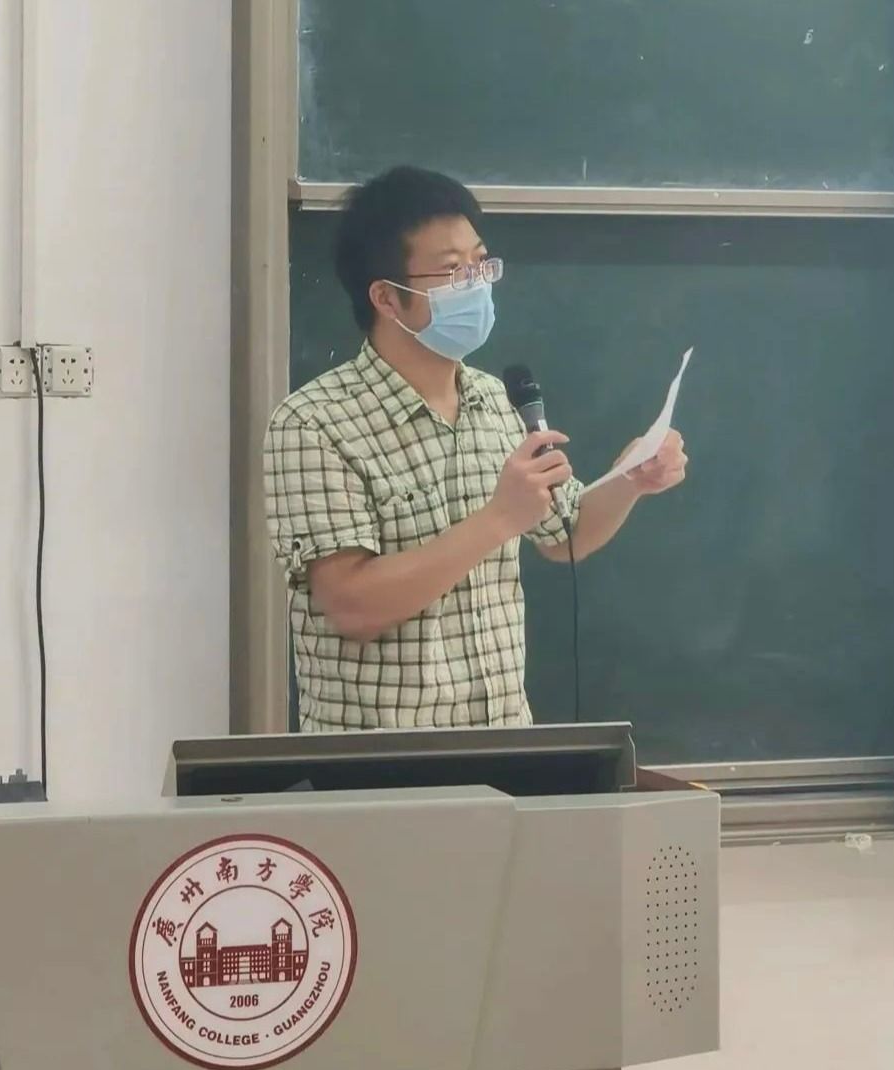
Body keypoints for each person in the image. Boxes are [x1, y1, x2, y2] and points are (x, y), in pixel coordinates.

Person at [264, 165, 687, 732]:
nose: (477, 283)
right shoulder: (314, 423)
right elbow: (352, 606)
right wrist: (498, 519)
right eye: (451, 270)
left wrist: (630, 477)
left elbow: (566, 534)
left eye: (481, 263)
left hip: (504, 745)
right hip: (382, 762)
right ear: (387, 298)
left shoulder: (495, 400)